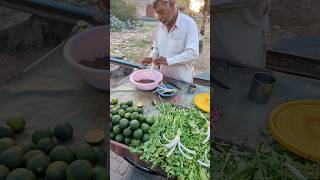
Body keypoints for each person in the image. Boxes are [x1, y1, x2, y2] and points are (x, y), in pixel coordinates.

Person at [140, 0, 199, 83]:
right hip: (163, 79)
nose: (159, 17)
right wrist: (151, 57)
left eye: (161, 12)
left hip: (182, 82)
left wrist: (168, 61)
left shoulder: (189, 24)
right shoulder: (160, 26)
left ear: (172, 5)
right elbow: (156, 47)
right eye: (157, 13)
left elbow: (193, 54)